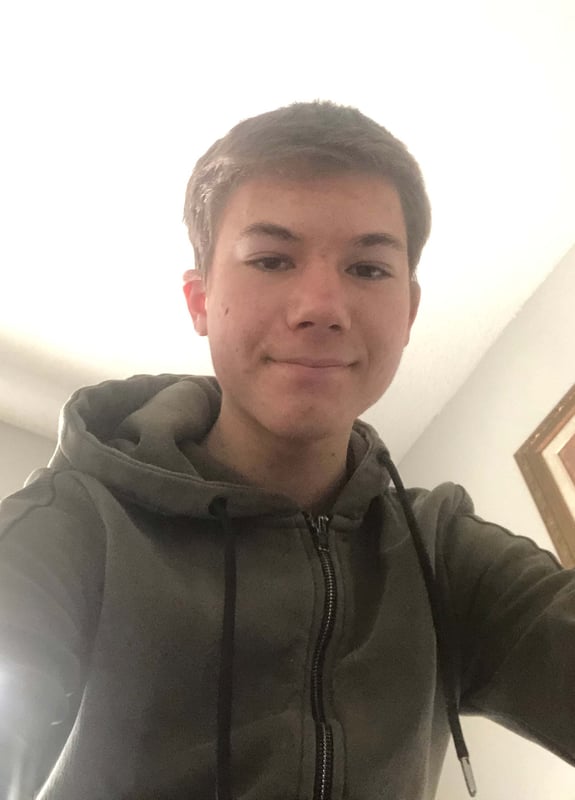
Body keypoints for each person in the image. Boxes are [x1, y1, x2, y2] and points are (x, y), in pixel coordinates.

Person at [0, 101, 574, 800]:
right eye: (271, 260)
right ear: (200, 300)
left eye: (368, 268)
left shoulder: (443, 552)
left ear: (409, 311)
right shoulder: (65, 527)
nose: (321, 307)